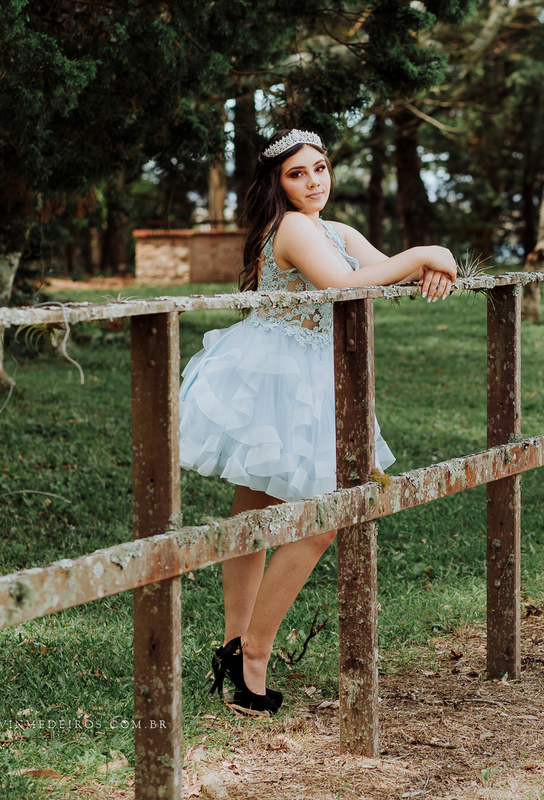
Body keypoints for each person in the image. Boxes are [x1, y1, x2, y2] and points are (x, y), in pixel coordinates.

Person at [178, 129, 457, 716]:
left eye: (320, 168)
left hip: (303, 373)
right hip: (277, 373)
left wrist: (438, 263)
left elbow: (388, 271)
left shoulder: (335, 231)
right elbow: (344, 283)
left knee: (256, 510)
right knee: (321, 517)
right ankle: (253, 652)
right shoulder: (293, 228)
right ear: (278, 184)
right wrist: (425, 251)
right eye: (297, 174)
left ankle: (233, 649)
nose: (313, 182)